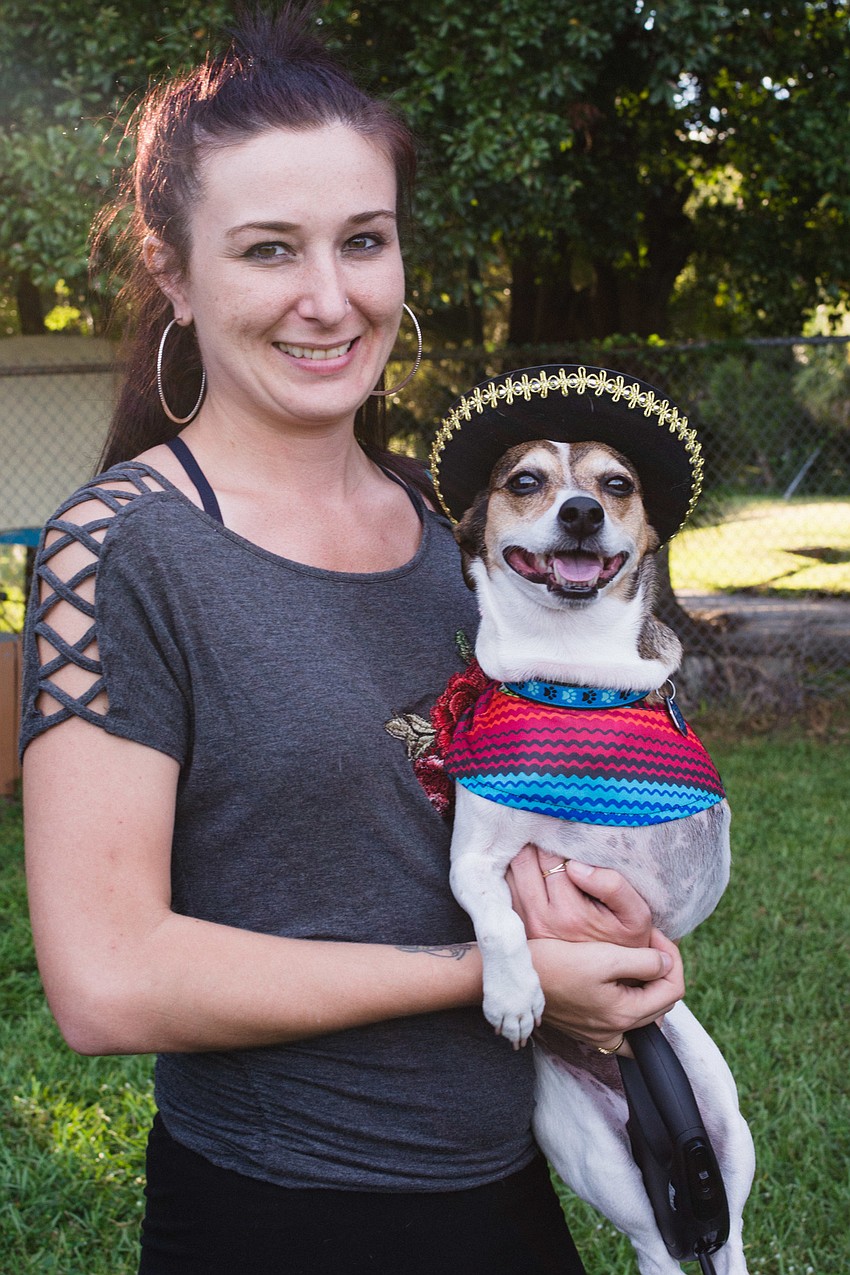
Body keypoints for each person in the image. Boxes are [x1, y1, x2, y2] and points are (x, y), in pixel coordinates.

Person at [20, 8, 684, 1273]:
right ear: (175, 271)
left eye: (363, 242)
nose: (330, 301)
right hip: (282, 1213)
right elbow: (105, 979)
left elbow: (529, 826)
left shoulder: (465, 538)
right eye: (269, 249)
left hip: (512, 1187)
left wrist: (609, 930)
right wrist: (494, 968)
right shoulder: (125, 547)